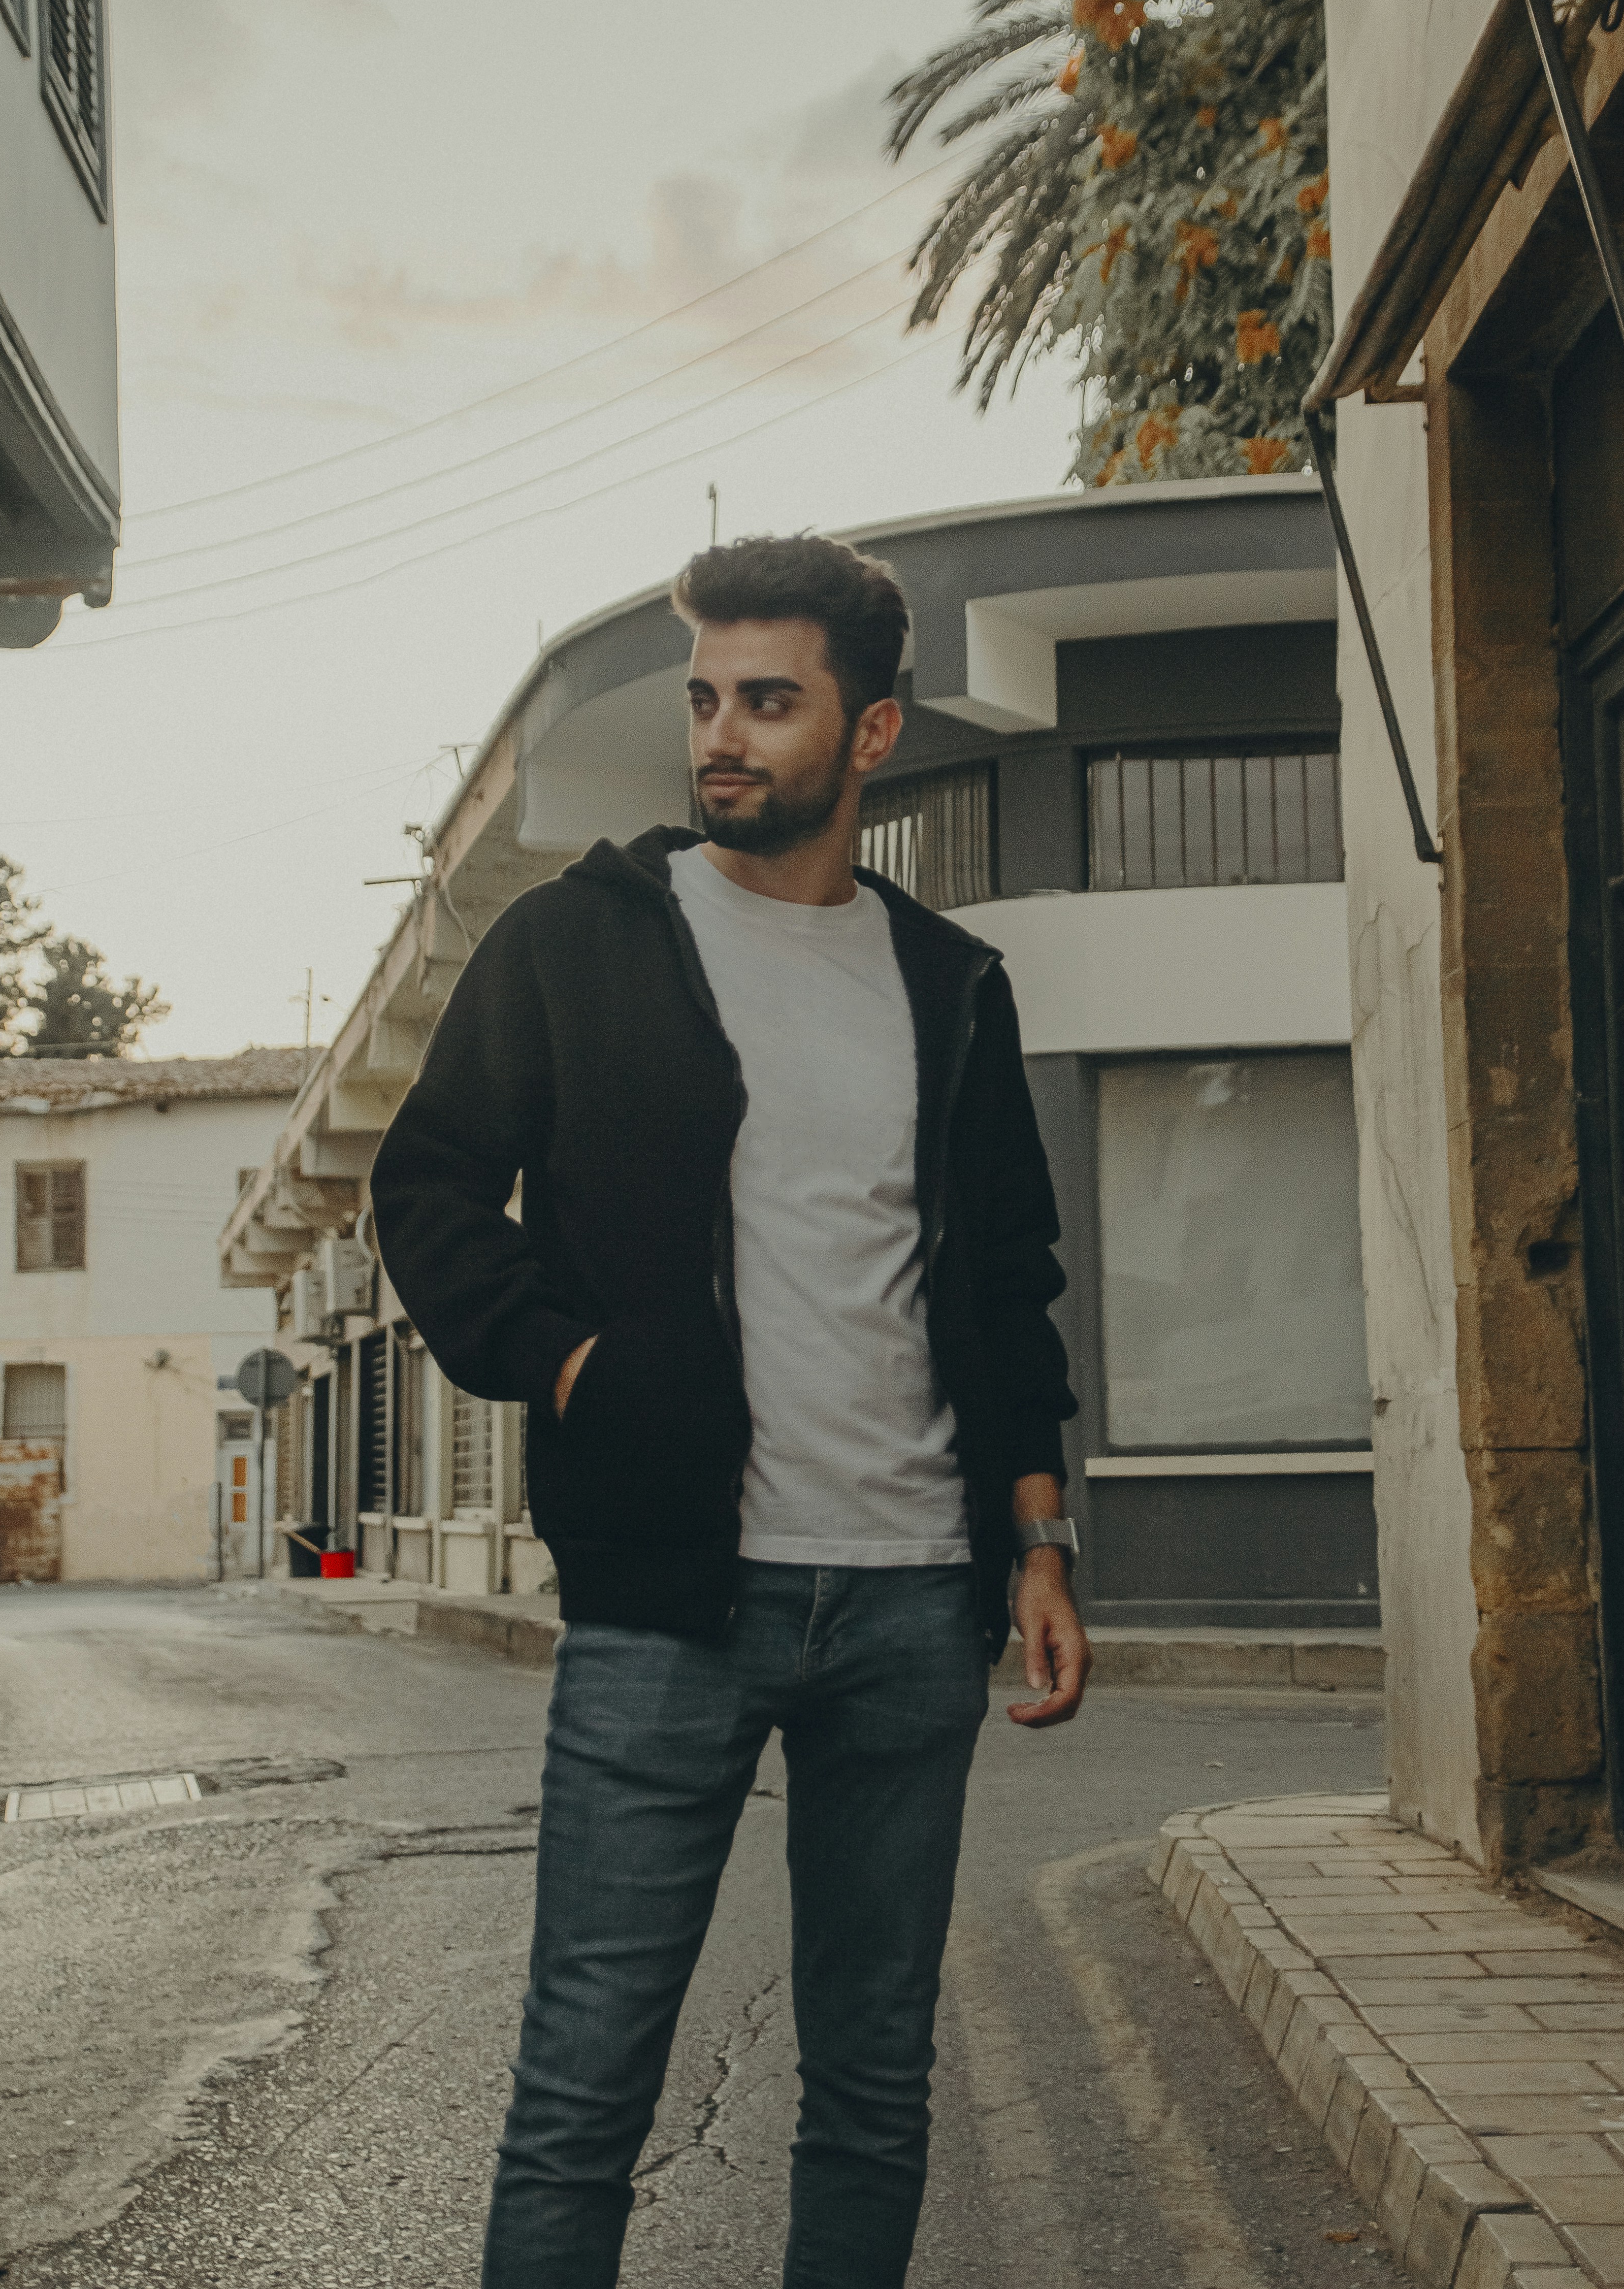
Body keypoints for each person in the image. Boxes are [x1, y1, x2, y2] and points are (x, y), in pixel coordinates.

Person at [371, 532, 1090, 2289]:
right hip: (669, 1604)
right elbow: (433, 1191)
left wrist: (1039, 1536)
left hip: (917, 1599)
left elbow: (1005, 1282)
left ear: (872, 733)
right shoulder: (576, 944)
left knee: (869, 2079)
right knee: (583, 2093)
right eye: (707, 696)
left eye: (768, 701)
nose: (722, 734)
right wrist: (573, 1368)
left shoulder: (951, 988)